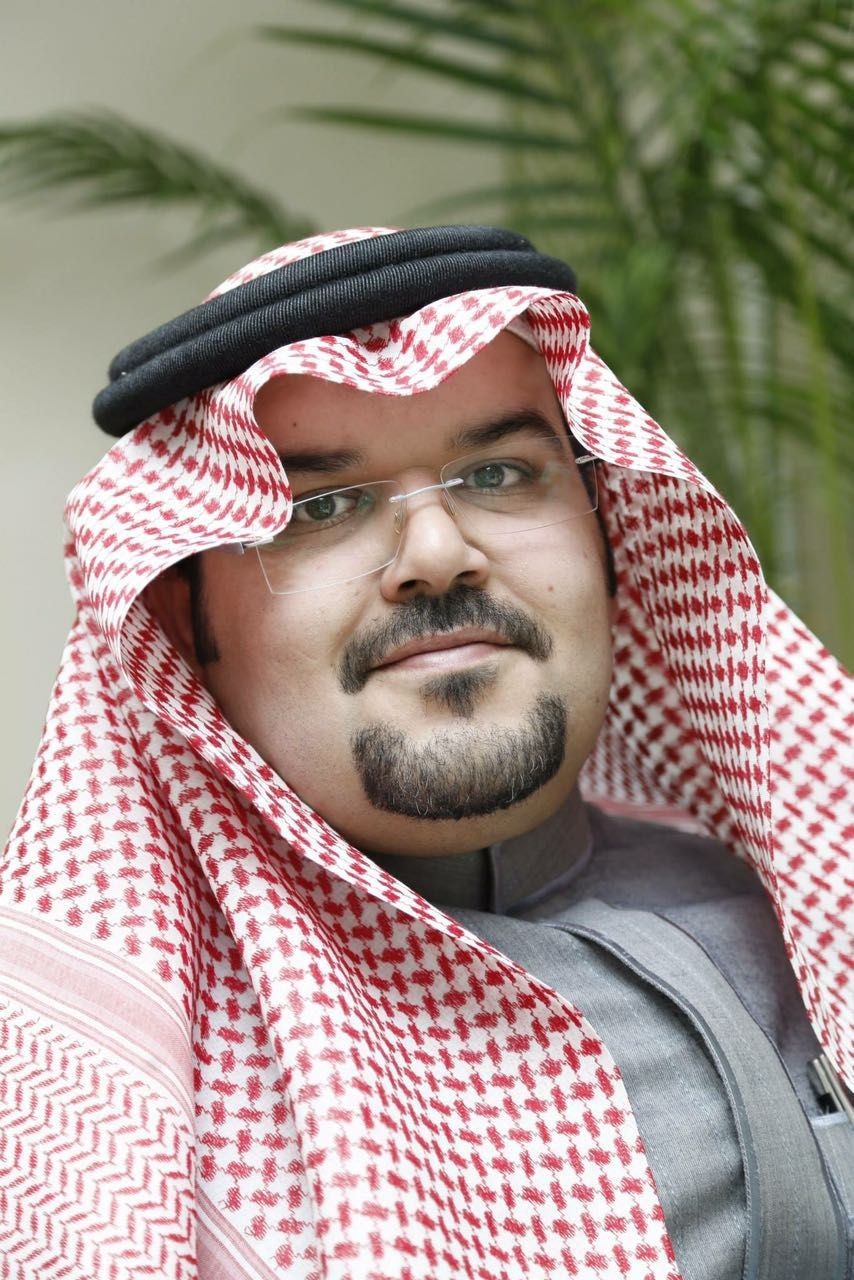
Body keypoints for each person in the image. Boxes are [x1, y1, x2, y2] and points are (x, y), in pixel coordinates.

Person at [0, 225, 850, 1280]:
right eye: (319, 506)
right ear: (182, 622)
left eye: (499, 471)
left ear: (612, 541)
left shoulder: (805, 908)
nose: (438, 553)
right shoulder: (90, 1086)